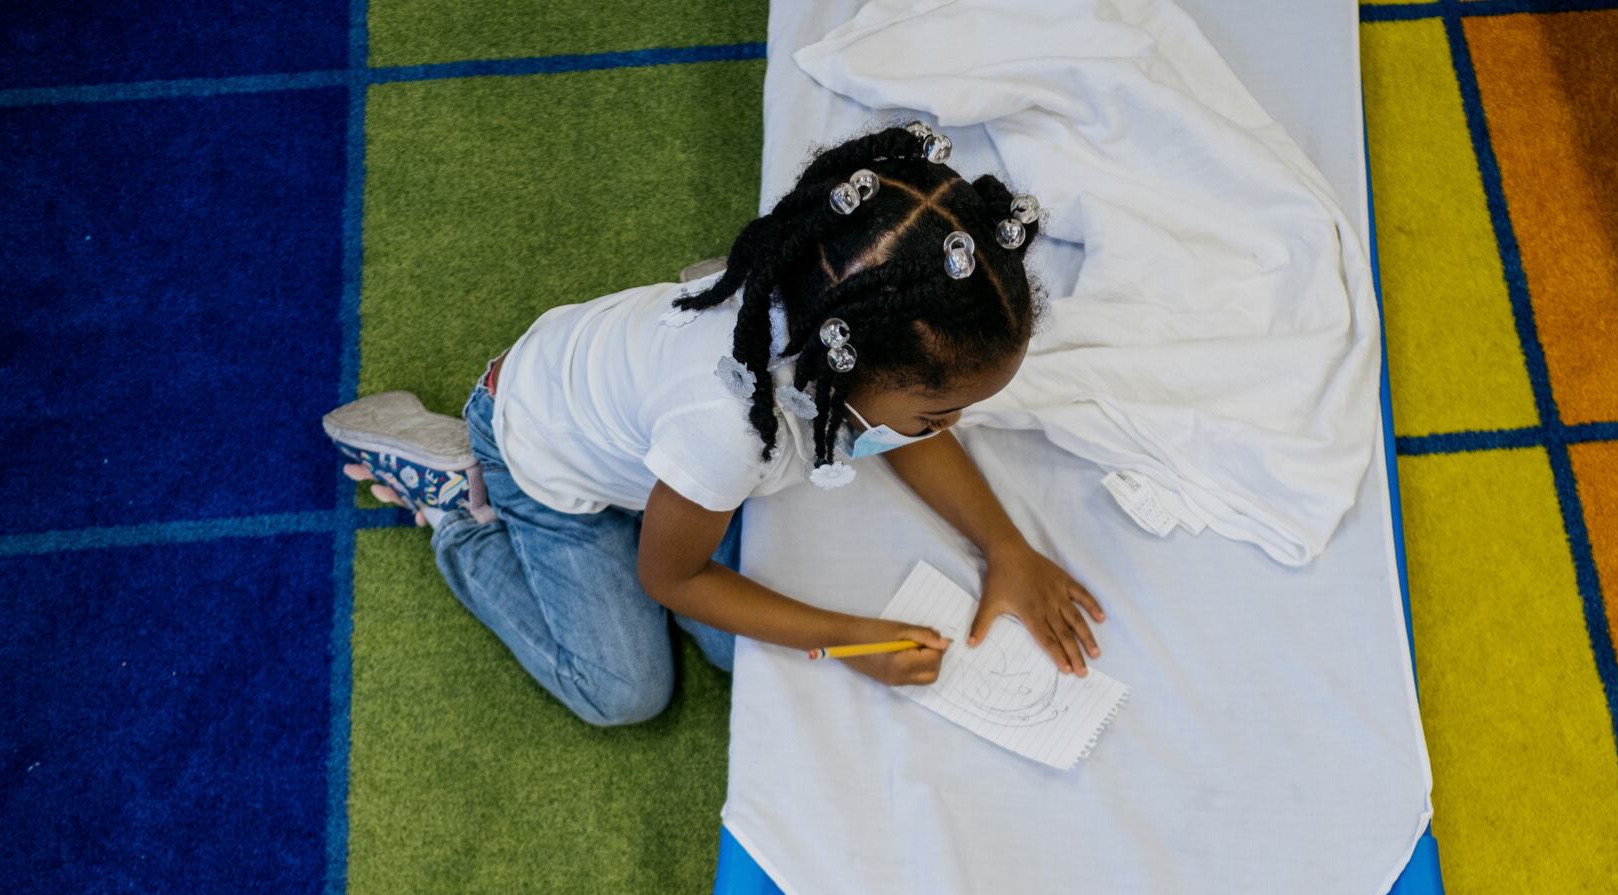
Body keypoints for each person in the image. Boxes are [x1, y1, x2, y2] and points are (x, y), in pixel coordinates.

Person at [323, 121, 1105, 727]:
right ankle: (462, 505)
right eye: (939, 413)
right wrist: (848, 640)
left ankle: (646, 512)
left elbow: (909, 435)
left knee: (743, 649)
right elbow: (668, 579)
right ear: (843, 366)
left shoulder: (829, 314)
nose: (951, 426)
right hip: (537, 450)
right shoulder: (728, 428)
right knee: (625, 690)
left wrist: (1007, 547)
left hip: (644, 446)